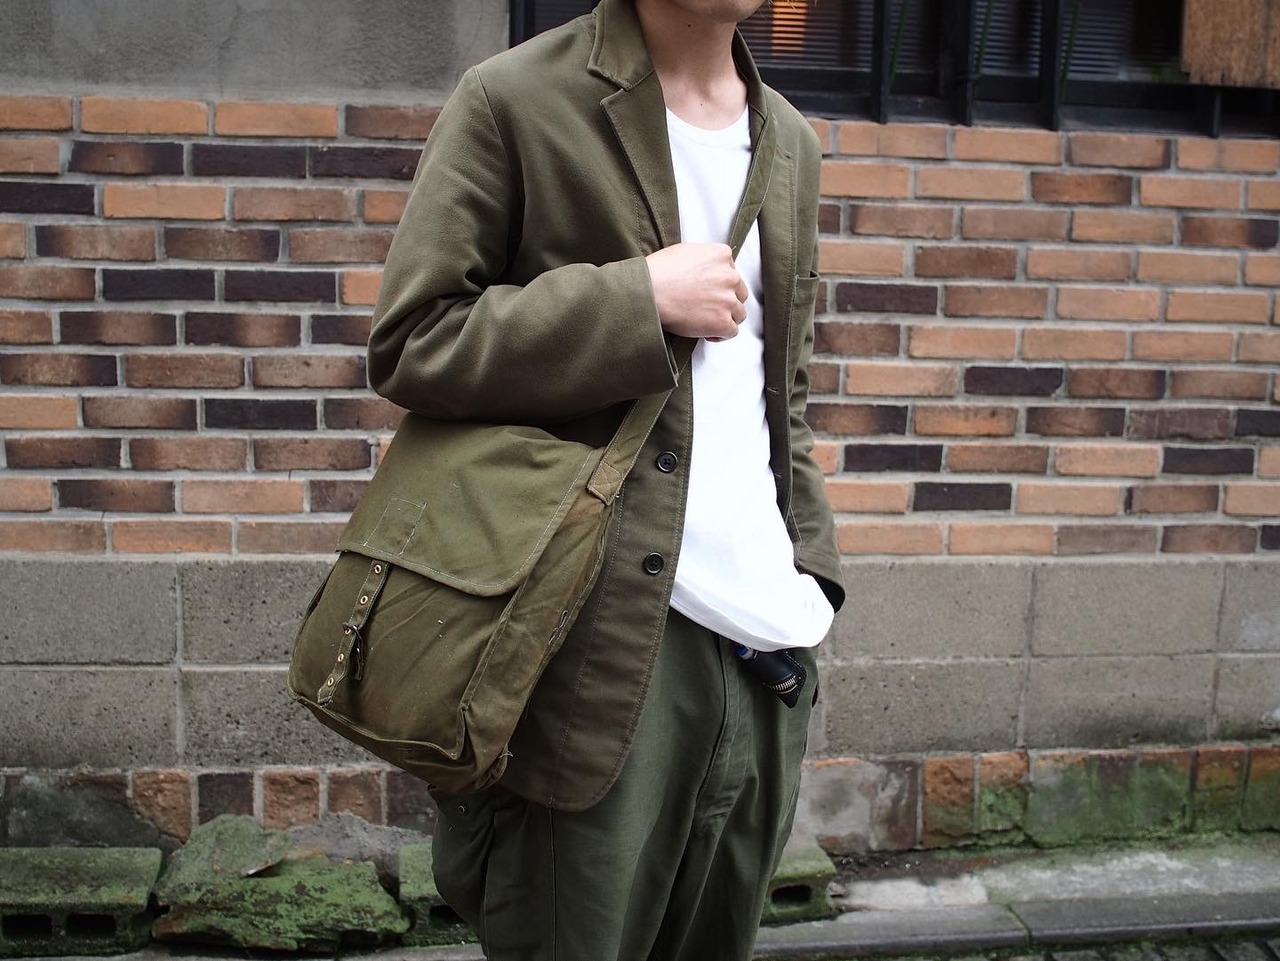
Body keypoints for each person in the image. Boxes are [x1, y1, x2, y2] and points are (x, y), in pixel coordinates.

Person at [366, 0, 845, 955]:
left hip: (765, 657)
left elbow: (778, 392)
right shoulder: (515, 100)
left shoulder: (789, 139)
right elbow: (415, 340)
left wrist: (813, 572)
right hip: (597, 646)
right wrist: (638, 299)